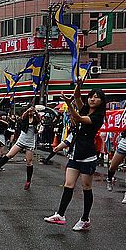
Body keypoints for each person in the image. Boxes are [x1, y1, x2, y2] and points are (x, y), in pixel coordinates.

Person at [44, 79, 106, 231]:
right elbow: (77, 97)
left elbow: (78, 118)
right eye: (91, 96)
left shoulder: (98, 116)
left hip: (88, 156)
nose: (92, 98)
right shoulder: (84, 108)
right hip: (75, 154)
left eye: (97, 97)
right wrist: (78, 85)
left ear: (102, 101)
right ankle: (60, 214)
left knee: (86, 187)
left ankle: (85, 219)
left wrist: (68, 104)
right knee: (68, 185)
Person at [0, 105, 41, 190]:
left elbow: (39, 119)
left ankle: (28, 181)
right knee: (9, 155)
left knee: (29, 162)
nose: (31, 112)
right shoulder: (24, 118)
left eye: (32, 111)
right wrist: (28, 111)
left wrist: (36, 112)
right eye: (30, 111)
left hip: (30, 142)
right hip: (21, 140)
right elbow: (23, 116)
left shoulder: (35, 119)